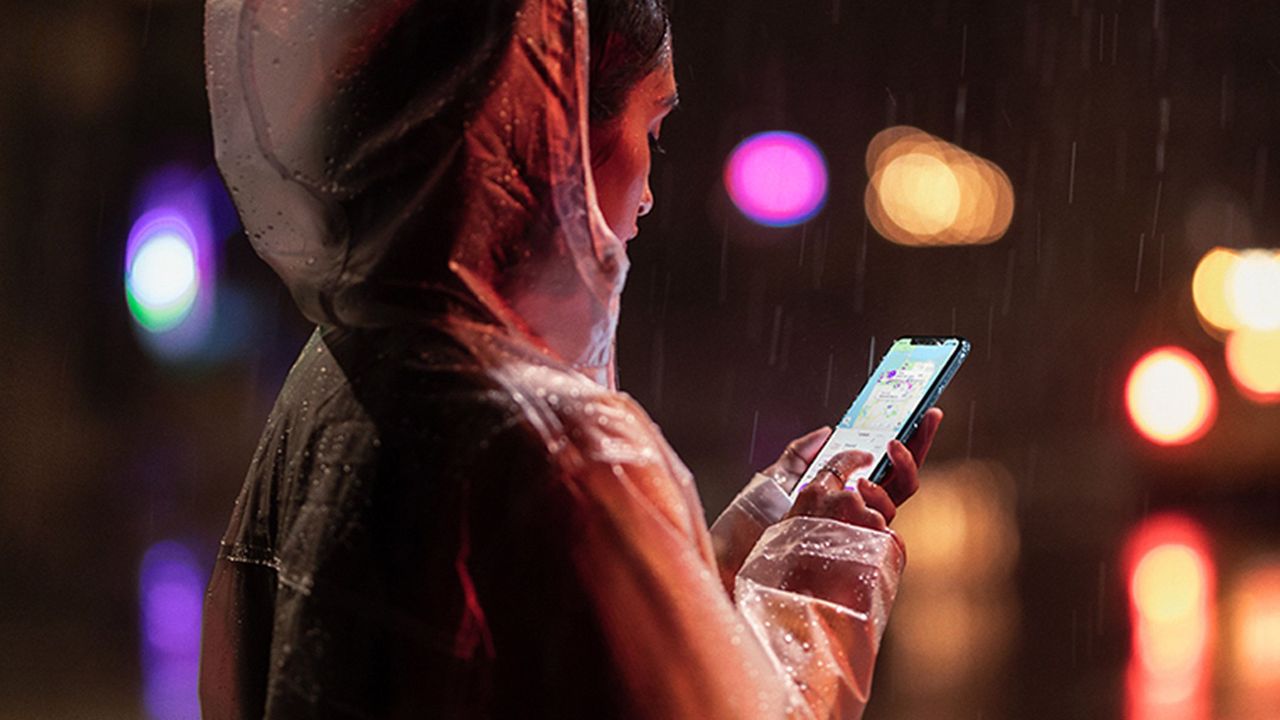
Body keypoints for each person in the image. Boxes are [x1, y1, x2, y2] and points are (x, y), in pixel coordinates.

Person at [198, 0, 943, 717]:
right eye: (652, 128)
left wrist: (764, 523)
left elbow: (561, 651)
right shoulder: (560, 445)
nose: (648, 194)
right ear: (551, 125)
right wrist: (817, 569)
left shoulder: (338, 372)